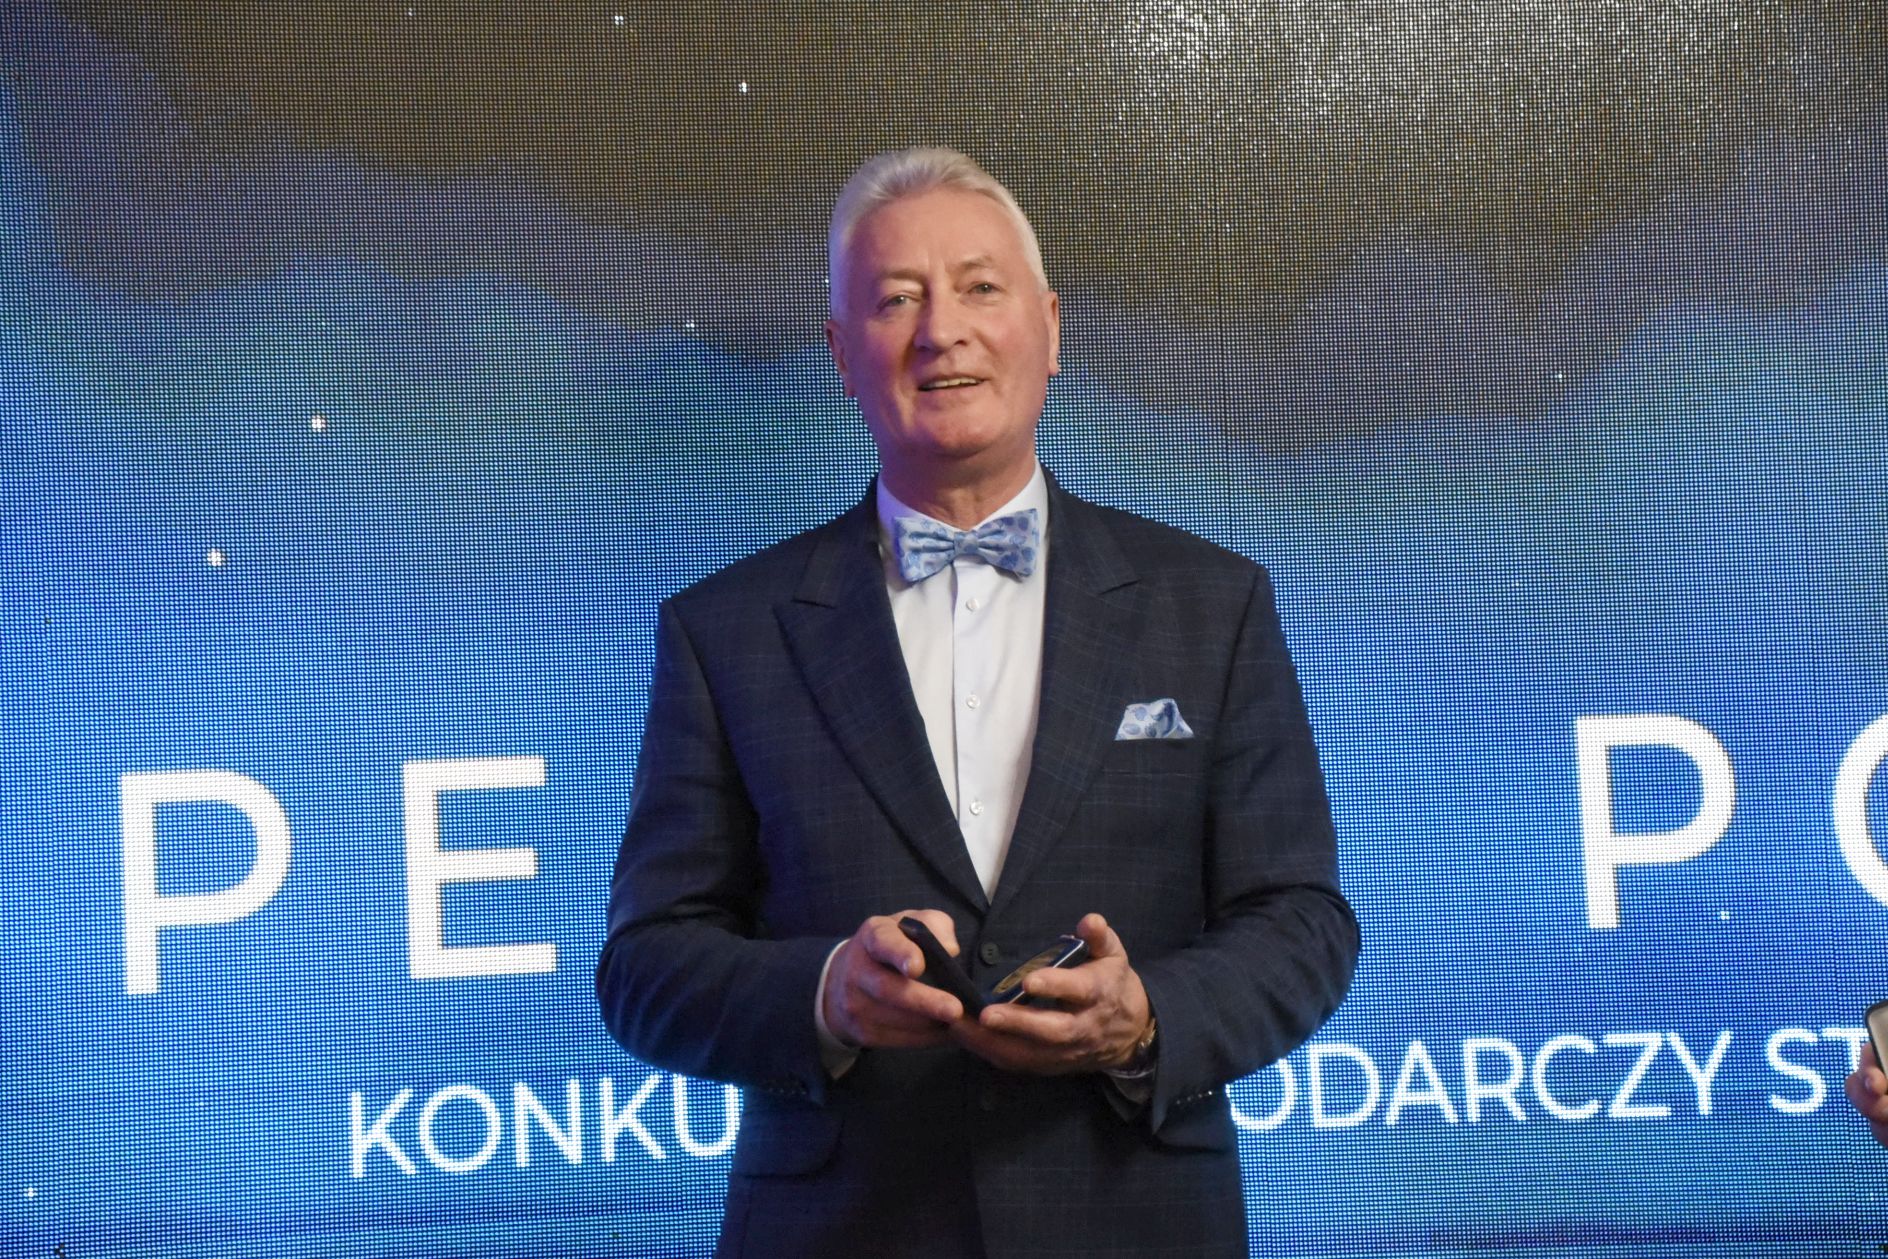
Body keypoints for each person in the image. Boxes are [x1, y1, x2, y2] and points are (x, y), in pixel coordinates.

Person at [596, 146, 1359, 1259]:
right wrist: (826, 994)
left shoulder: (1212, 603)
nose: (940, 330)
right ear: (841, 354)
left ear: (1049, 328)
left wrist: (1146, 1015)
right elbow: (646, 966)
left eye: (979, 287)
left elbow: (1302, 921)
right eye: (895, 299)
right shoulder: (726, 631)